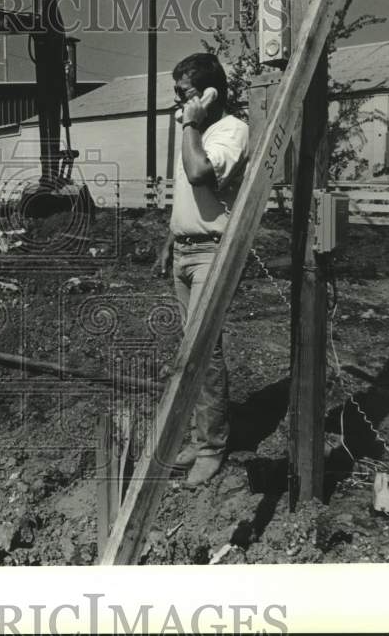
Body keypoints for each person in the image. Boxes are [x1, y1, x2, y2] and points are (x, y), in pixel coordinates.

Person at [152, 52, 248, 486]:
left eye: (187, 94)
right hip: (185, 251)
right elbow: (191, 201)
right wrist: (171, 240)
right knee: (188, 353)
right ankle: (197, 436)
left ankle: (212, 447)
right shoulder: (197, 131)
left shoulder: (231, 130)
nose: (180, 103)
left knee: (206, 352)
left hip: (212, 253)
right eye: (177, 95)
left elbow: (198, 175)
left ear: (212, 93)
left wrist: (191, 122)